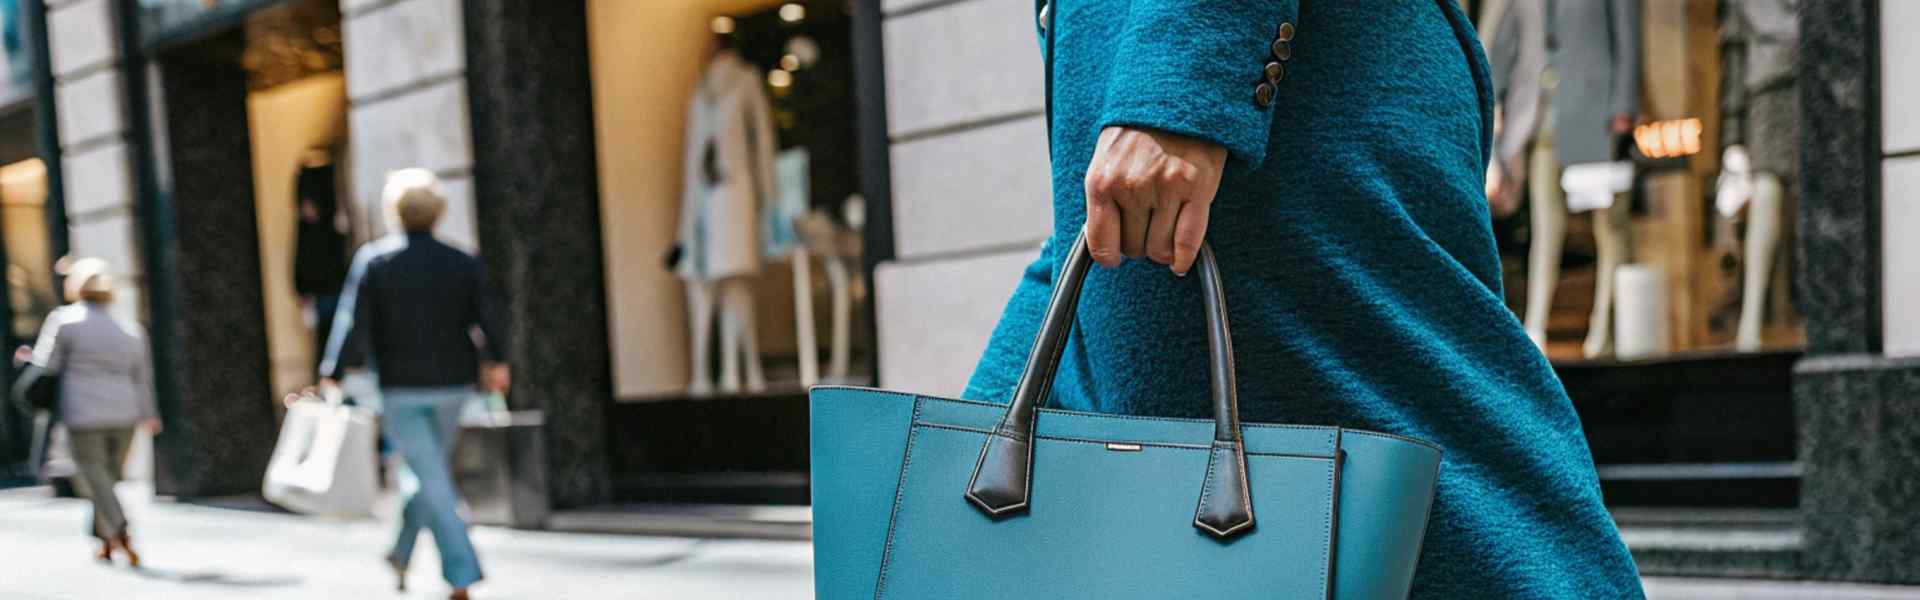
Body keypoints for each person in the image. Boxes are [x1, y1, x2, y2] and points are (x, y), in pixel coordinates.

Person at [964, 2, 1643, 598]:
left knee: (1437, 507)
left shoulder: (1184, 90)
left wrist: (1183, 82)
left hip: (1275, 89)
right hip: (1155, 88)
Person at [319, 168, 508, 600]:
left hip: (402, 388)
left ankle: (460, 572)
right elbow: (489, 316)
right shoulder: (461, 261)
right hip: (453, 385)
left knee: (428, 476)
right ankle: (404, 554)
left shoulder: (375, 260)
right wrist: (499, 360)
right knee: (430, 473)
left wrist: (333, 368)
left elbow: (353, 321)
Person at [27, 257, 159, 566]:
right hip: (125, 413)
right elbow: (143, 378)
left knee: (95, 480)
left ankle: (121, 530)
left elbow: (47, 364)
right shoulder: (130, 330)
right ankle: (106, 542)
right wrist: (149, 414)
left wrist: (27, 360)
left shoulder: (64, 321)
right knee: (107, 479)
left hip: (83, 412)